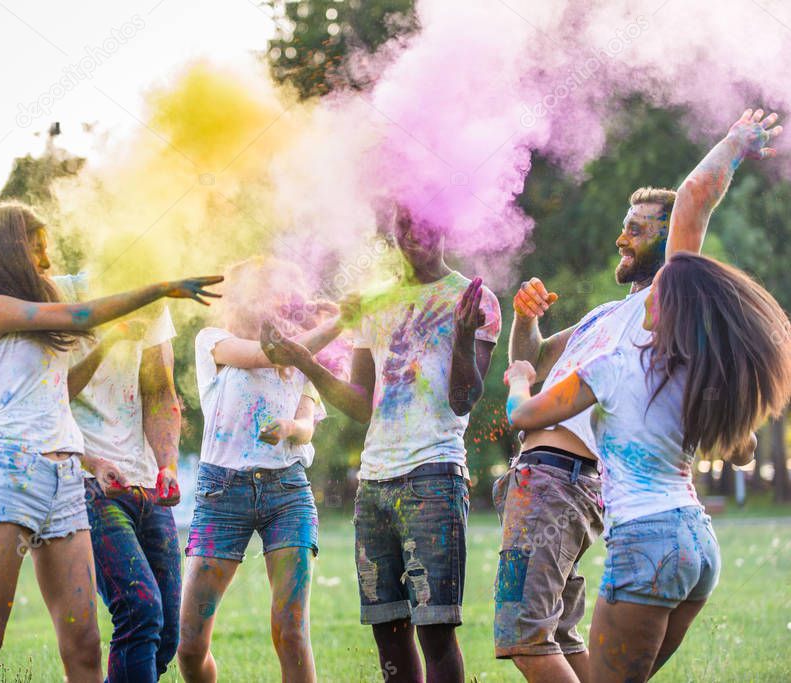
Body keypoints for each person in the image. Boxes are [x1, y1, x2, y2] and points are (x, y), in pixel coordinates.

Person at [496, 108, 782, 682]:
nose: (622, 237)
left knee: (522, 635)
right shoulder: (620, 323)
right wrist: (523, 324)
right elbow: (533, 357)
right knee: (575, 648)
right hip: (687, 539)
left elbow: (697, 196)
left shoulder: (663, 311)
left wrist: (731, 142)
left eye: (639, 228)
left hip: (578, 491)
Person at [0, 202, 221, 683]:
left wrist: (92, 461)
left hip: (66, 478)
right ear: (9, 250)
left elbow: (54, 401)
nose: (47, 264)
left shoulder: (37, 316)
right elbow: (81, 314)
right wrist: (159, 287)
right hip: (10, 474)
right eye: (37, 251)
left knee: (85, 644)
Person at [260, 211, 501, 683]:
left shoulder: (474, 299)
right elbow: (359, 404)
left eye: (427, 223)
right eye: (405, 225)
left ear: (446, 220)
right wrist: (303, 359)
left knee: (435, 633)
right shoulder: (375, 301)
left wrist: (464, 335)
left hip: (434, 476)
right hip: (373, 485)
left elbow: (462, 399)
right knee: (387, 631)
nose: (416, 235)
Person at [176, 257, 343, 683]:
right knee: (190, 646)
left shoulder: (301, 362)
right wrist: (339, 322)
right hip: (221, 495)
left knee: (291, 632)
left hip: (287, 494)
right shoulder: (214, 341)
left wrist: (291, 427)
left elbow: (307, 425)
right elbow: (261, 355)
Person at [55, 272, 184, 682]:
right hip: (87, 481)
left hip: (145, 481)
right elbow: (49, 394)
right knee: (140, 609)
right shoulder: (63, 295)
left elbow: (160, 390)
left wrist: (167, 464)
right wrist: (109, 337)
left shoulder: (153, 296)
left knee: (166, 635)